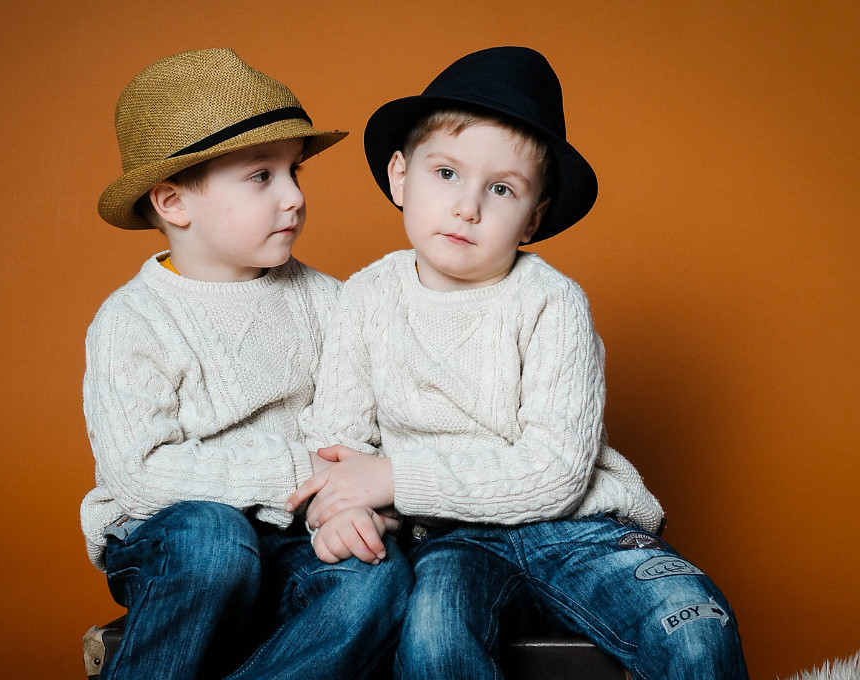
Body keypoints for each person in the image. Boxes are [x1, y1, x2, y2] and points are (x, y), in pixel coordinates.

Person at [289, 47, 748, 679]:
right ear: (400, 176)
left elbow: (556, 472)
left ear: (532, 218)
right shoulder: (366, 297)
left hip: (581, 530)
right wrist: (344, 510)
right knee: (434, 636)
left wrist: (395, 478)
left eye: (501, 189)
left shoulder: (553, 302)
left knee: (695, 624)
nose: (467, 206)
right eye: (446, 173)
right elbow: (337, 445)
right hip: (450, 539)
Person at [81, 48, 411, 680]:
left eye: (294, 172)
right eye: (262, 176)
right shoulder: (133, 319)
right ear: (174, 203)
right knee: (215, 539)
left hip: (296, 532)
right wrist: (299, 470)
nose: (294, 197)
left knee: (378, 576)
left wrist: (345, 504)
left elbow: (353, 428)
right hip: (176, 540)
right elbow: (142, 474)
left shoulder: (329, 301)